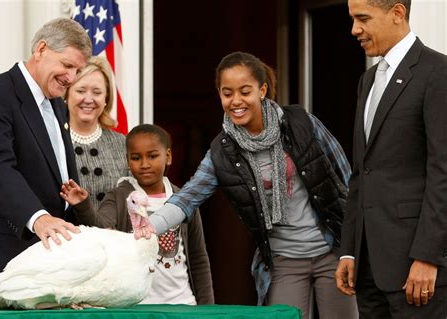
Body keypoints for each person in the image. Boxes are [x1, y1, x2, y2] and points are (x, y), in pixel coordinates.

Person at [133, 52, 358, 318]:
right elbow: (187, 198)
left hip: (331, 252)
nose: (236, 101)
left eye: (245, 91)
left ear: (262, 90)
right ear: (219, 94)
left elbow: (347, 183)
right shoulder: (222, 151)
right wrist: (149, 226)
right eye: (227, 93)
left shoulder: (302, 124)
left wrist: (352, 251)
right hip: (284, 261)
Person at [335, 0, 447, 317]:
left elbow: (443, 173)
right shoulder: (367, 81)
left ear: (397, 13)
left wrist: (429, 256)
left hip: (418, 270)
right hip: (368, 269)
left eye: (363, 18)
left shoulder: (438, 73)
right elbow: (362, 173)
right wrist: (350, 252)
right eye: (353, 19)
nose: (354, 29)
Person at [0, 18, 92, 290]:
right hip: (7, 259)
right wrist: (38, 218)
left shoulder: (59, 106)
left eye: (77, 70)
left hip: (55, 263)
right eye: (67, 65)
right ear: (41, 49)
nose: (71, 78)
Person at [60, 124, 214, 305]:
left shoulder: (184, 199)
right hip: (138, 306)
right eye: (136, 158)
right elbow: (102, 228)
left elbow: (198, 258)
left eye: (152, 156)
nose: (145, 164)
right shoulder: (119, 196)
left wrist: (206, 307)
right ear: (127, 160)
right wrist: (83, 206)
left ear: (168, 156)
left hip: (184, 303)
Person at [64, 56, 128, 210]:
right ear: (66, 95)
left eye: (97, 92)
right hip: (67, 233)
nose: (88, 99)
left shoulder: (123, 143)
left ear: (106, 98)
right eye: (80, 90)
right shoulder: (52, 141)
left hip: (113, 233)